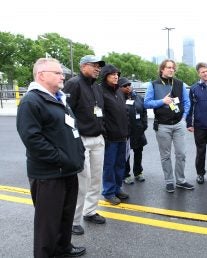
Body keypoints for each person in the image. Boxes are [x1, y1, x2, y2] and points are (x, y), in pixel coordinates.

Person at [16, 58, 86, 257]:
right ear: (41, 75)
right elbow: (32, 139)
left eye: (61, 73)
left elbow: (72, 129)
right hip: (49, 174)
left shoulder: (59, 98)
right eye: (57, 72)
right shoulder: (31, 101)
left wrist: (77, 153)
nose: (62, 76)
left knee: (65, 215)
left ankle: (63, 248)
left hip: (68, 169)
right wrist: (61, 158)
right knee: (48, 222)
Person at [63, 55, 106, 235]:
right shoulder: (73, 84)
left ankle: (90, 211)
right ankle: (73, 220)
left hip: (98, 138)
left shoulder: (96, 86)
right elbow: (66, 111)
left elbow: (100, 110)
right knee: (83, 181)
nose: (98, 69)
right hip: (81, 139)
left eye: (99, 66)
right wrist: (73, 138)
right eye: (94, 65)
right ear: (83, 67)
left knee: (96, 178)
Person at [144, 59, 194, 193]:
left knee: (181, 154)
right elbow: (147, 103)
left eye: (173, 68)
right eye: (168, 67)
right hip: (162, 125)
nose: (171, 70)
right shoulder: (153, 84)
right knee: (165, 156)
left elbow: (186, 102)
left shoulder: (180, 84)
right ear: (162, 69)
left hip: (178, 124)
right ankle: (169, 181)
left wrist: (183, 118)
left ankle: (181, 180)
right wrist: (162, 101)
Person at [100, 64, 129, 205]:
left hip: (122, 135)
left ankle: (117, 188)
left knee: (120, 165)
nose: (116, 76)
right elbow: (101, 115)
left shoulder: (119, 91)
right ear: (105, 76)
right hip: (110, 137)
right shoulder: (101, 92)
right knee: (109, 166)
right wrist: (105, 134)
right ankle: (108, 192)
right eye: (112, 74)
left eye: (117, 74)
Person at [118, 77, 148, 184]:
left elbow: (144, 112)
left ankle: (138, 172)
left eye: (129, 85)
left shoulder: (138, 97)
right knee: (126, 154)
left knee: (138, 152)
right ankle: (126, 174)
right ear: (119, 88)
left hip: (138, 130)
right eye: (124, 86)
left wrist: (144, 125)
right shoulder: (119, 98)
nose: (128, 87)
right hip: (126, 132)